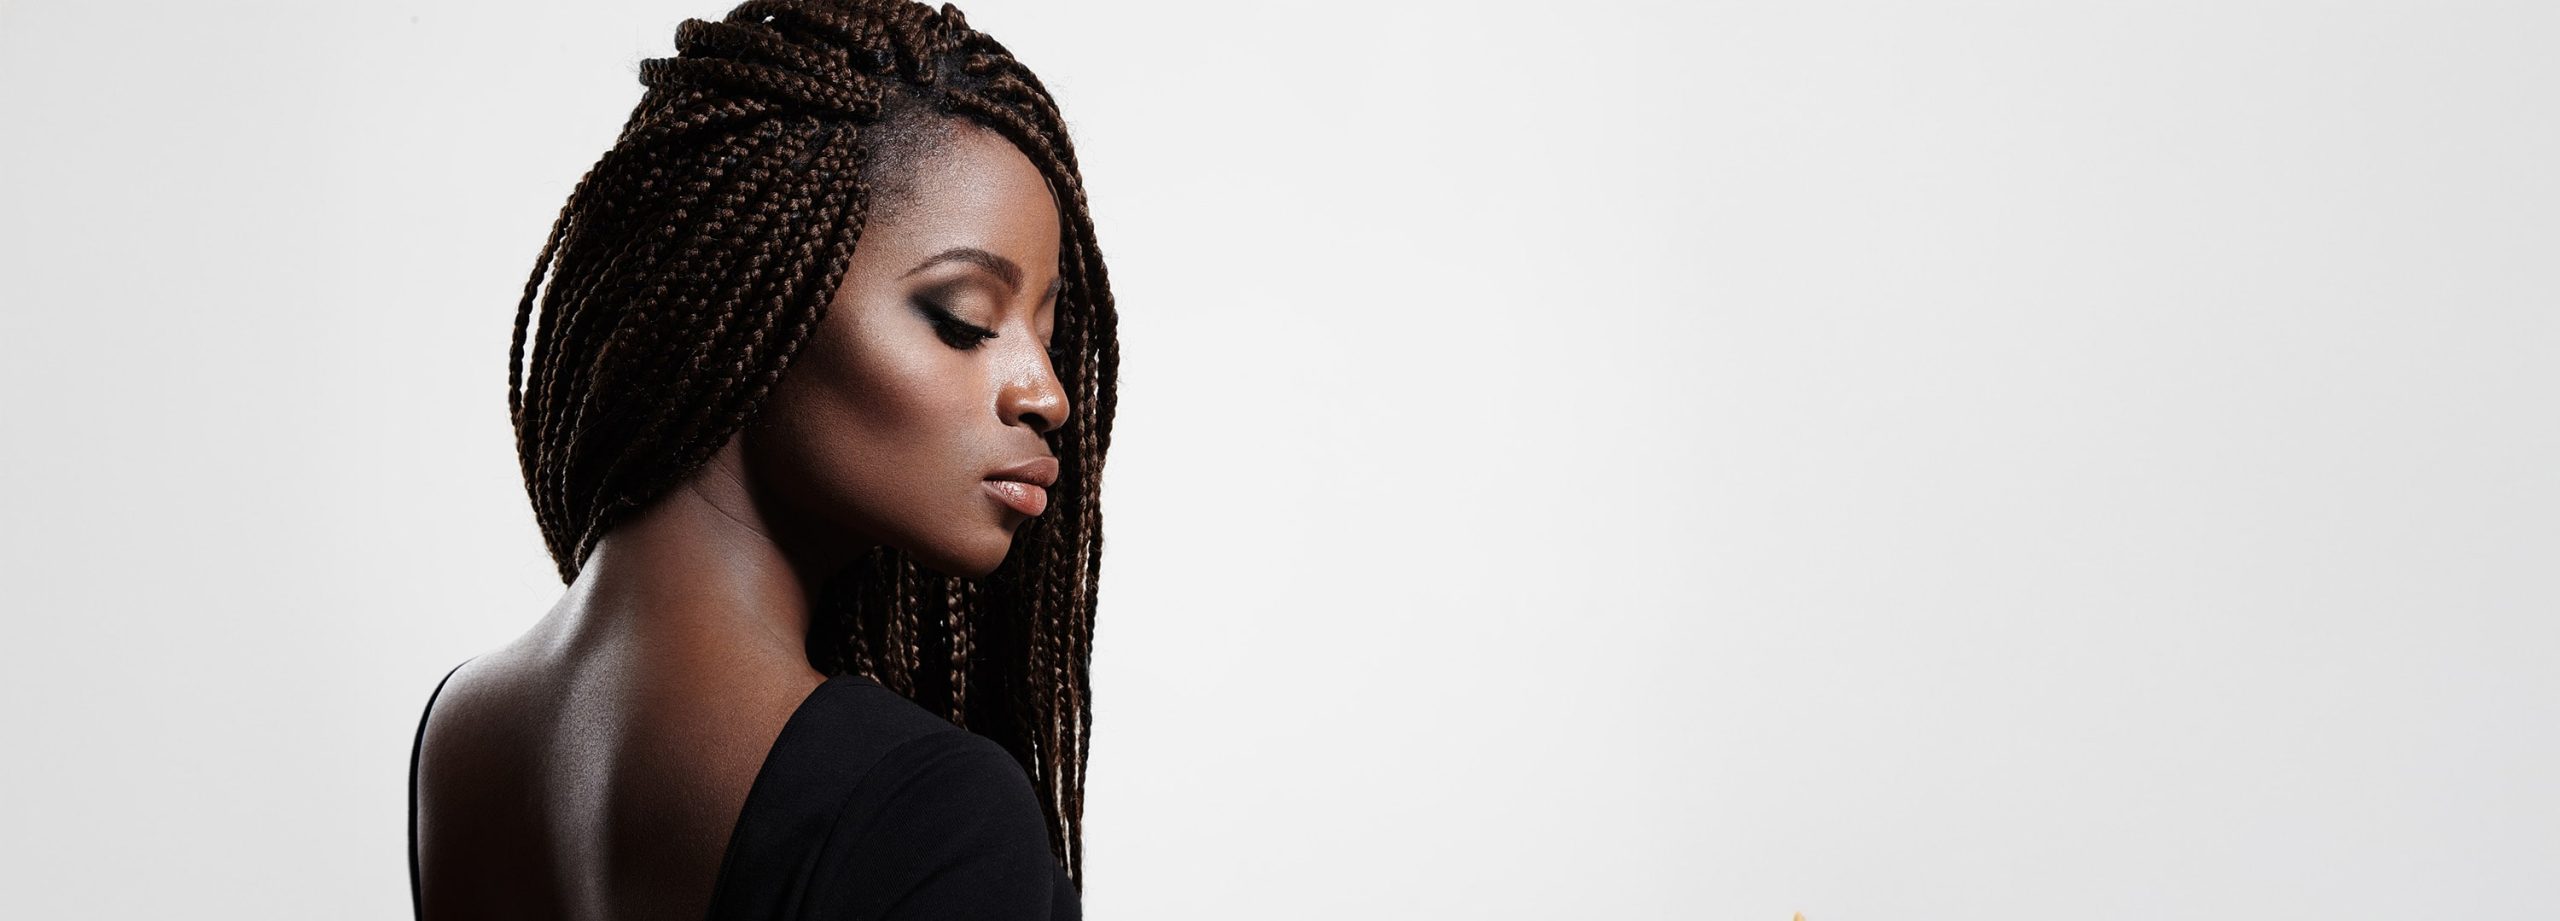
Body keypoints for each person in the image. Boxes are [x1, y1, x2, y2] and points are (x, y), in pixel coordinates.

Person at [406, 2, 1115, 918]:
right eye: (965, 321)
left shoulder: (463, 730)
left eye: (1049, 336)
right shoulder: (925, 807)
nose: (1047, 394)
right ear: (756, 302)